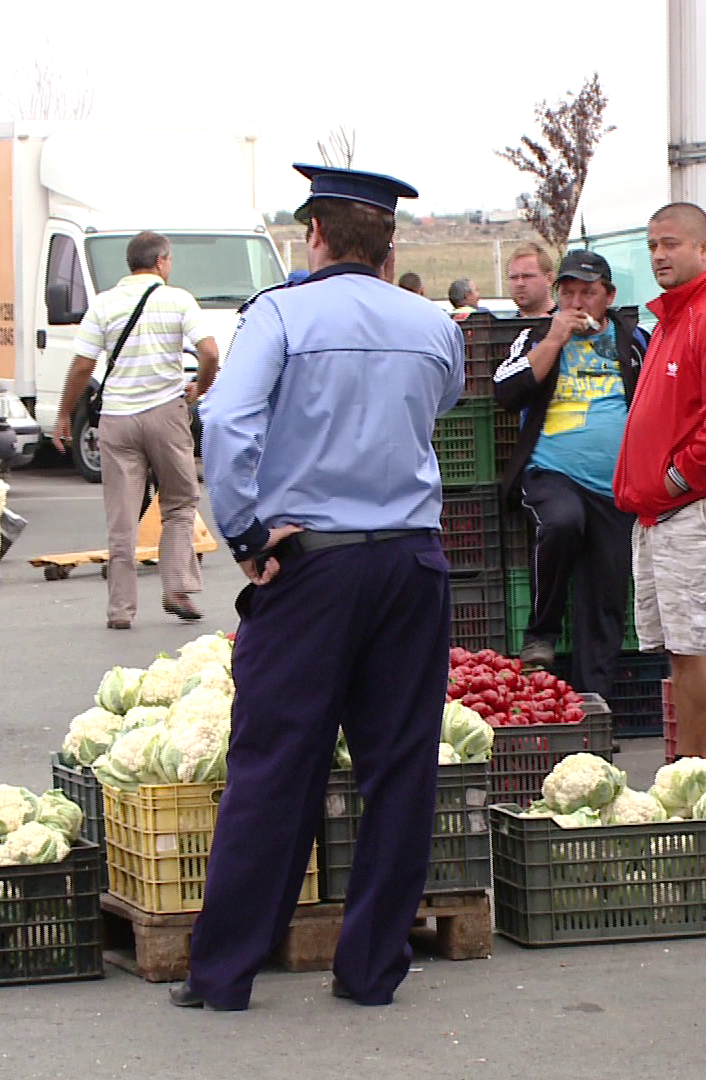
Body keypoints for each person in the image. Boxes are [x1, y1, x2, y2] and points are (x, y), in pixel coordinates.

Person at [181, 163, 462, 1012]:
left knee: (276, 763)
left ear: (314, 235)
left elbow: (228, 421)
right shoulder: (431, 324)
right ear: (387, 242)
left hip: (311, 563)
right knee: (401, 765)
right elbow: (436, 407)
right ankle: (370, 969)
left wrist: (244, 533)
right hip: (411, 560)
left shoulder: (279, 313)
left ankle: (225, 973)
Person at [612, 203, 706, 763]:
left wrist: (673, 479)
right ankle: (692, 772)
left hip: (704, 508)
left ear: (705, 249)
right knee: (683, 648)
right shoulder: (670, 322)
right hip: (661, 515)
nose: (659, 255)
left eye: (671, 243)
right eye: (653, 245)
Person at [493, 250, 646, 693]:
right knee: (562, 521)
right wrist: (555, 340)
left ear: (608, 296)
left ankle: (593, 707)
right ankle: (540, 632)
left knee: (606, 595)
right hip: (550, 473)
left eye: (588, 293)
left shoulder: (634, 340)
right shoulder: (535, 336)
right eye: (569, 293)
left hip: (615, 487)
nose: (577, 302)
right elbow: (507, 393)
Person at [52, 231, 219, 629]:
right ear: (161, 261)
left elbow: (82, 366)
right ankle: (177, 588)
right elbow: (210, 352)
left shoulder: (104, 304)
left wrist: (63, 414)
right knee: (179, 503)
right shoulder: (178, 300)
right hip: (166, 415)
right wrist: (201, 389)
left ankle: (121, 610)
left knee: (122, 518)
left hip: (118, 420)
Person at [503, 243, 555, 317]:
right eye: (513, 277)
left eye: (527, 276)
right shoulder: (502, 327)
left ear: (549, 279)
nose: (520, 283)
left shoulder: (570, 325)